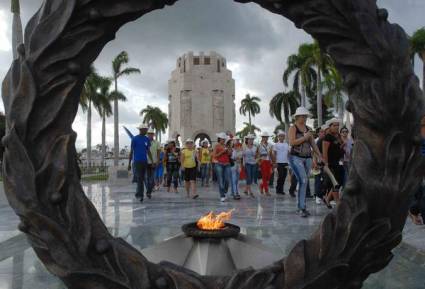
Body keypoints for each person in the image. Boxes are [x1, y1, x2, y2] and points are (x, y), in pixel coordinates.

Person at [288, 107, 322, 218]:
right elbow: (292, 142)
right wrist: (305, 137)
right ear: (297, 117)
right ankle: (301, 207)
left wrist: (319, 156)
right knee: (303, 180)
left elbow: (313, 144)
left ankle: (302, 207)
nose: (305, 118)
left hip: (307, 157)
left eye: (306, 116)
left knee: (305, 181)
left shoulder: (308, 129)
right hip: (296, 157)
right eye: (303, 116)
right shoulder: (293, 128)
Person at [322, 118, 345, 208]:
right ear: (330, 126)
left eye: (337, 125)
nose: (336, 127)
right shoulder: (327, 137)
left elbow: (340, 147)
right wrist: (326, 164)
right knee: (335, 184)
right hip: (331, 164)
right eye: (334, 125)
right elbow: (325, 151)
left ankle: (327, 199)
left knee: (337, 183)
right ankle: (338, 203)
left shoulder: (337, 136)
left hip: (338, 163)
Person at [128, 124, 152, 202]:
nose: (146, 131)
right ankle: (140, 195)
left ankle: (148, 192)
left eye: (146, 129)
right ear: (141, 130)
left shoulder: (146, 139)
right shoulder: (134, 139)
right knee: (140, 178)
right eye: (145, 129)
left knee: (147, 178)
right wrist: (129, 163)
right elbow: (131, 151)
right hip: (137, 162)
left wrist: (152, 161)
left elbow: (148, 151)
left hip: (145, 161)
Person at [214, 132, 233, 202]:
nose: (223, 140)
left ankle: (224, 190)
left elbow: (230, 155)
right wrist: (222, 152)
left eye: (224, 139)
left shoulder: (226, 146)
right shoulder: (216, 146)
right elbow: (215, 156)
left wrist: (229, 150)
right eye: (222, 139)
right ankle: (222, 195)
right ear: (219, 139)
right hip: (219, 164)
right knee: (220, 180)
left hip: (227, 164)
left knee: (227, 179)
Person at [313, 124, 328, 204]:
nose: (323, 133)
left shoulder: (326, 140)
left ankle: (323, 196)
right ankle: (317, 196)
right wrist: (315, 163)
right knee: (318, 180)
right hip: (318, 163)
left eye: (324, 132)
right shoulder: (315, 141)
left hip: (325, 164)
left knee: (324, 181)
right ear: (318, 133)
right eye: (321, 132)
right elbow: (314, 153)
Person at [273, 130, 289, 195]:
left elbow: (288, 153)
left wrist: (289, 162)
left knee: (284, 176)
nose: (281, 137)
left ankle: (281, 189)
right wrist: (275, 162)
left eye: (283, 136)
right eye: (280, 136)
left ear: (284, 137)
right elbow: (274, 154)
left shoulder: (286, 144)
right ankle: (278, 189)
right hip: (279, 162)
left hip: (285, 162)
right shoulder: (276, 145)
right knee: (280, 176)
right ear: (278, 137)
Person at [146, 128, 160, 198]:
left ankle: (149, 191)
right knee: (147, 178)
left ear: (153, 135)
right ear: (147, 134)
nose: (150, 135)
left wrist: (157, 160)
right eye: (149, 134)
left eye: (151, 134)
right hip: (145, 162)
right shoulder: (145, 142)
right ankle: (149, 190)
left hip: (153, 162)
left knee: (151, 178)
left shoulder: (157, 142)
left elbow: (158, 152)